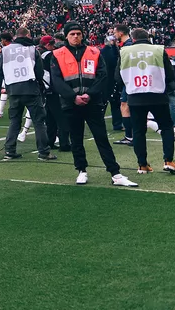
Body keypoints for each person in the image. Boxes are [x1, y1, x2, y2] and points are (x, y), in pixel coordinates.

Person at [51, 21, 137, 187]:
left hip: (93, 102)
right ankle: (81, 170)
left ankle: (115, 173)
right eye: (72, 34)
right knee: (76, 139)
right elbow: (57, 80)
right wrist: (73, 97)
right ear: (66, 35)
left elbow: (102, 76)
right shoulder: (57, 54)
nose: (76, 36)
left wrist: (89, 95)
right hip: (71, 104)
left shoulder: (94, 52)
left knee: (101, 137)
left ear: (83, 35)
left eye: (78, 33)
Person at [117, 28, 175, 174]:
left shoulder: (125, 51)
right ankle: (168, 161)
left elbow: (118, 78)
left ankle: (142, 164)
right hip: (157, 95)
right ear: (148, 37)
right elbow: (169, 75)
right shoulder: (158, 49)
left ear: (133, 38)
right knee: (167, 127)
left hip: (135, 96)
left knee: (138, 131)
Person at [0, 28, 55, 161]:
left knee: (14, 121)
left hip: (13, 91)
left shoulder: (5, 50)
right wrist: (40, 86)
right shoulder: (32, 49)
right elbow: (39, 71)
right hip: (30, 89)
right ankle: (44, 152)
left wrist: (7, 86)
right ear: (28, 35)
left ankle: (9, 150)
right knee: (39, 121)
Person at [113, 24, 135, 145]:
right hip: (129, 80)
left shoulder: (128, 46)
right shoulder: (127, 45)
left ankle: (130, 136)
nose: (114, 35)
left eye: (115, 32)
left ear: (120, 33)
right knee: (126, 106)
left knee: (125, 106)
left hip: (128, 81)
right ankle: (131, 135)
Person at [101, 35, 123, 132]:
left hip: (104, 81)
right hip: (111, 80)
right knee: (115, 104)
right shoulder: (111, 51)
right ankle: (117, 124)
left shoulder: (102, 51)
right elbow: (114, 63)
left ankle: (99, 122)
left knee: (104, 103)